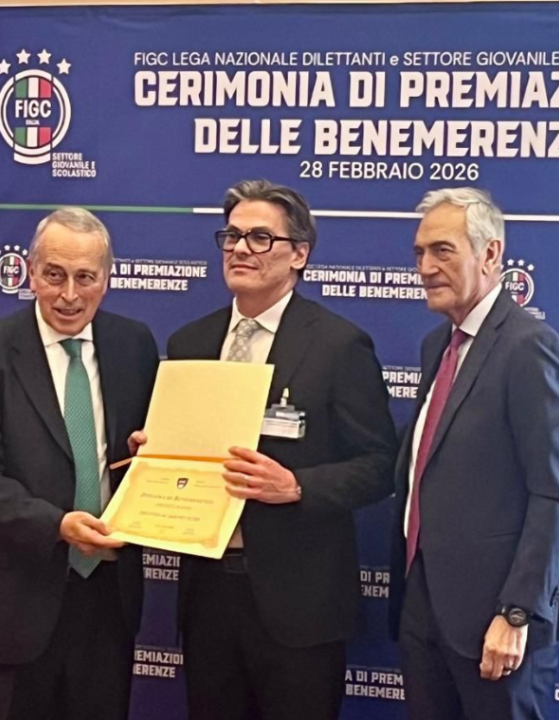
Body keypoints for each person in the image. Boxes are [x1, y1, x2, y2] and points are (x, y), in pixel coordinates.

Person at [163, 179, 397, 720]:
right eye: (232, 236)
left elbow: (381, 465)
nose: (241, 249)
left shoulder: (338, 345)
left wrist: (297, 486)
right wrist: (158, 454)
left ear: (299, 255)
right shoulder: (188, 344)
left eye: (260, 238)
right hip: (207, 595)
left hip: (300, 604)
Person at [0, 207, 159, 720]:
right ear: (30, 273)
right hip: (11, 602)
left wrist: (151, 456)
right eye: (54, 275)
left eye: (85, 278)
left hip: (106, 599)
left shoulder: (134, 346)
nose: (69, 295)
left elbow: (143, 453)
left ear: (107, 279)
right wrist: (56, 525)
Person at [389, 187, 559, 720]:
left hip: (496, 621)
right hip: (424, 605)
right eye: (419, 253)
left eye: (442, 251)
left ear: (491, 254)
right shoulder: (438, 345)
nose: (425, 267)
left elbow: (556, 497)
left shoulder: (529, 346)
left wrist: (517, 612)